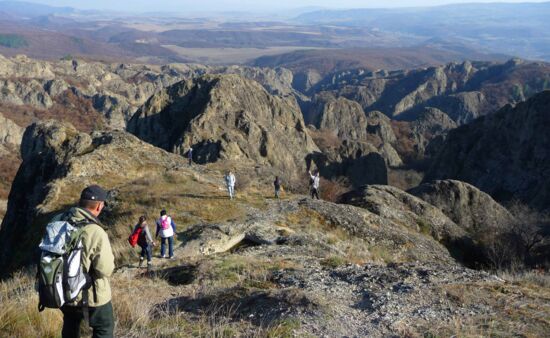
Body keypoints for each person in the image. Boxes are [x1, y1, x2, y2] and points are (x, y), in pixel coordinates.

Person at [51, 185, 115, 338]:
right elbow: (105, 269)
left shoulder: (57, 220)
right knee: (104, 328)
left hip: (62, 292)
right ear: (99, 205)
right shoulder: (95, 231)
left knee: (70, 326)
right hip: (93, 297)